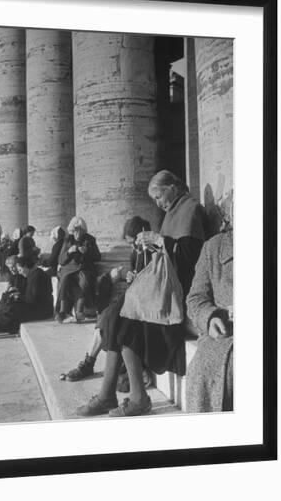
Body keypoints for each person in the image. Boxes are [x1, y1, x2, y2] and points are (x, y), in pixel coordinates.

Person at [77, 170, 207, 417]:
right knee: (115, 315)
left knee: (126, 322)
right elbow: (168, 252)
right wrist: (153, 246)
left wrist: (159, 241)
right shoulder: (172, 213)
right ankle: (108, 395)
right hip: (162, 288)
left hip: (177, 294)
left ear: (173, 186)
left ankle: (137, 398)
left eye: (158, 196)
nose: (158, 203)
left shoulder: (191, 209)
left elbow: (191, 258)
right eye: (155, 199)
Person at [63, 216, 150, 381]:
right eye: (130, 244)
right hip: (133, 297)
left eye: (134, 242)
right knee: (106, 317)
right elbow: (133, 272)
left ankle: (88, 364)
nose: (133, 247)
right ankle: (88, 363)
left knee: (110, 318)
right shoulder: (137, 253)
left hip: (144, 303)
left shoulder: (151, 252)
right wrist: (127, 275)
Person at [186, 226, 233, 412]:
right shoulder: (214, 247)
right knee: (202, 373)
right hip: (222, 336)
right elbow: (196, 298)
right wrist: (210, 317)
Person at [0, 255, 53, 339]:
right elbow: (30, 297)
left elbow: (32, 299)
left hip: (42, 311)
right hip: (37, 308)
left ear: (26, 267)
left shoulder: (37, 276)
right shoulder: (34, 274)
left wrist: (18, 295)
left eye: (20, 269)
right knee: (7, 302)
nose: (19, 272)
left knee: (10, 311)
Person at [55, 216, 101, 323]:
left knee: (84, 281)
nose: (78, 233)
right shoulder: (67, 240)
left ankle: (80, 310)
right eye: (75, 230)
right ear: (72, 230)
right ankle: (63, 311)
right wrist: (69, 252)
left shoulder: (90, 239)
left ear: (84, 230)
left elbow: (98, 257)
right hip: (69, 269)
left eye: (80, 230)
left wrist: (88, 252)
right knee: (65, 280)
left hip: (84, 269)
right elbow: (61, 260)